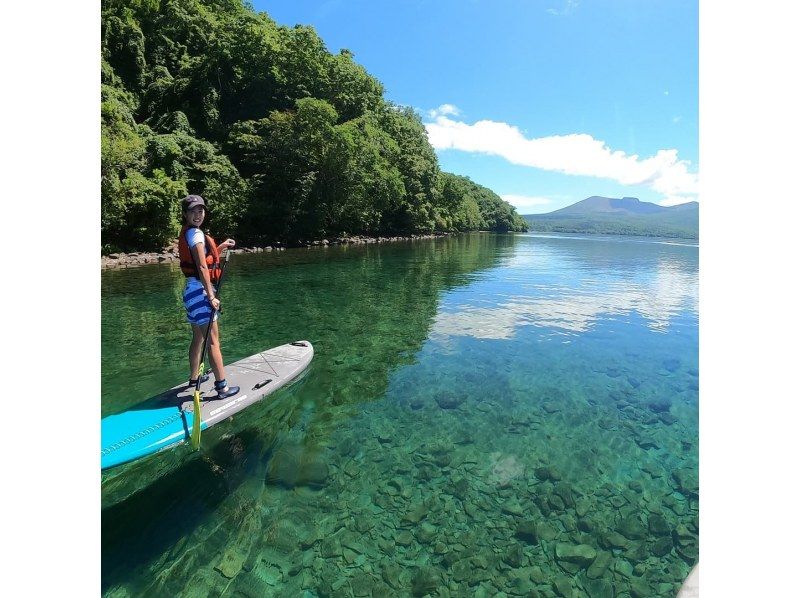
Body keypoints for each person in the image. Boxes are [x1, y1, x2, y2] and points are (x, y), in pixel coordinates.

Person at [178, 194, 239, 399]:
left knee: (198, 337)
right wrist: (211, 295)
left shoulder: (190, 234)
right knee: (213, 341)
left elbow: (204, 259)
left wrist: (220, 247)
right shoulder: (195, 234)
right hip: (200, 291)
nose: (198, 214)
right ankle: (222, 388)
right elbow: (203, 266)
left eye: (201, 210)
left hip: (190, 292)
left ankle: (194, 378)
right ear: (185, 214)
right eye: (193, 211)